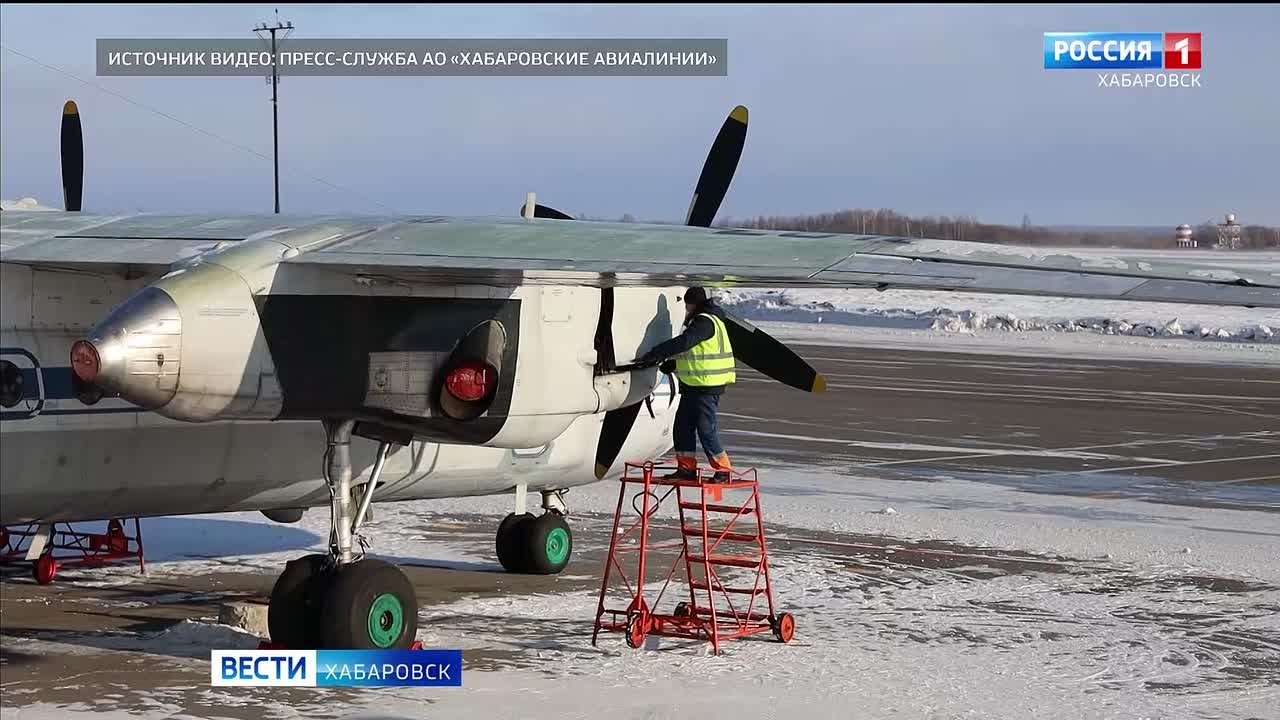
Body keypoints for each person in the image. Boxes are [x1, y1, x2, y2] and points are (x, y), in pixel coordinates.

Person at [637, 286, 736, 482]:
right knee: (682, 426)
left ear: (693, 304)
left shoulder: (705, 321)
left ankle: (723, 470)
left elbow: (685, 342)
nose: (686, 309)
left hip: (706, 386)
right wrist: (675, 365)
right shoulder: (706, 320)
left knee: (705, 429)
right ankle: (686, 469)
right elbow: (697, 353)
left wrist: (656, 353)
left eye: (687, 305)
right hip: (694, 385)